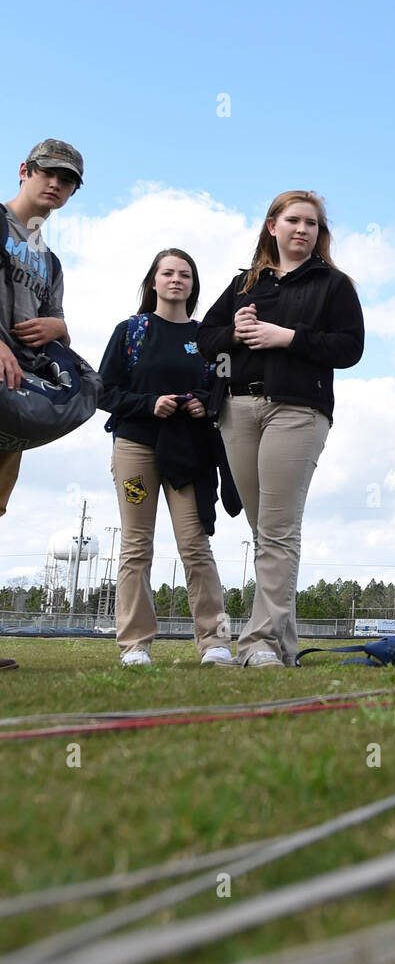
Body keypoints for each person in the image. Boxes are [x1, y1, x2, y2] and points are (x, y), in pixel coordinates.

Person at [198, 191, 364, 668]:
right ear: (272, 226)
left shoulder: (334, 285)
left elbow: (350, 348)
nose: (303, 229)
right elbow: (205, 340)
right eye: (293, 220)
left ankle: (260, 643)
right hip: (238, 408)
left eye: (312, 223)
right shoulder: (244, 284)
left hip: (296, 409)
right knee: (264, 530)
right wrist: (235, 329)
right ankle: (281, 646)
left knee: (276, 530)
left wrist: (287, 337)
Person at [99, 250, 237, 667]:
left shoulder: (208, 338)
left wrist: (202, 404)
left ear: (193, 285)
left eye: (185, 274)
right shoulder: (131, 331)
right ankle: (135, 645)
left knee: (195, 545)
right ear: (153, 281)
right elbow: (103, 391)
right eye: (167, 273)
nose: (176, 279)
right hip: (136, 448)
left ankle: (213, 641)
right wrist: (148, 404)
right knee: (136, 546)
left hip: (189, 453)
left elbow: (224, 391)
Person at [0, 140, 84, 672]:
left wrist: (63, 327)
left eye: (68, 180)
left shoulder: (49, 262)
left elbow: (54, 329)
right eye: (48, 173)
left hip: (16, 395)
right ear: (25, 170)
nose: (55, 184)